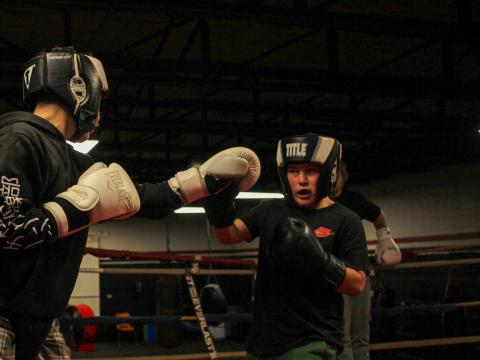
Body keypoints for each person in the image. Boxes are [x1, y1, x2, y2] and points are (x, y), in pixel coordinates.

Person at [0, 46, 260, 359]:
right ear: (80, 88)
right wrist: (77, 208)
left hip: (39, 315)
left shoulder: (75, 161)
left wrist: (198, 182)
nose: (99, 112)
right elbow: (5, 228)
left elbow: (136, 199)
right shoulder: (17, 138)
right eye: (100, 98)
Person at [202, 133, 370, 359]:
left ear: (328, 171)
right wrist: (218, 208)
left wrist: (320, 261)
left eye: (311, 170)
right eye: (293, 171)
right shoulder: (271, 210)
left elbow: (357, 284)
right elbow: (229, 235)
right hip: (263, 340)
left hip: (312, 339)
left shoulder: (346, 219)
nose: (301, 179)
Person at [331, 161, 402, 360]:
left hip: (360, 271)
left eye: (338, 175)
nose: (334, 180)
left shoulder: (355, 200)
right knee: (342, 335)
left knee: (361, 335)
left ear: (344, 177)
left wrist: (385, 240)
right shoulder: (320, 201)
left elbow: (379, 217)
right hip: (336, 273)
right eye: (331, 174)